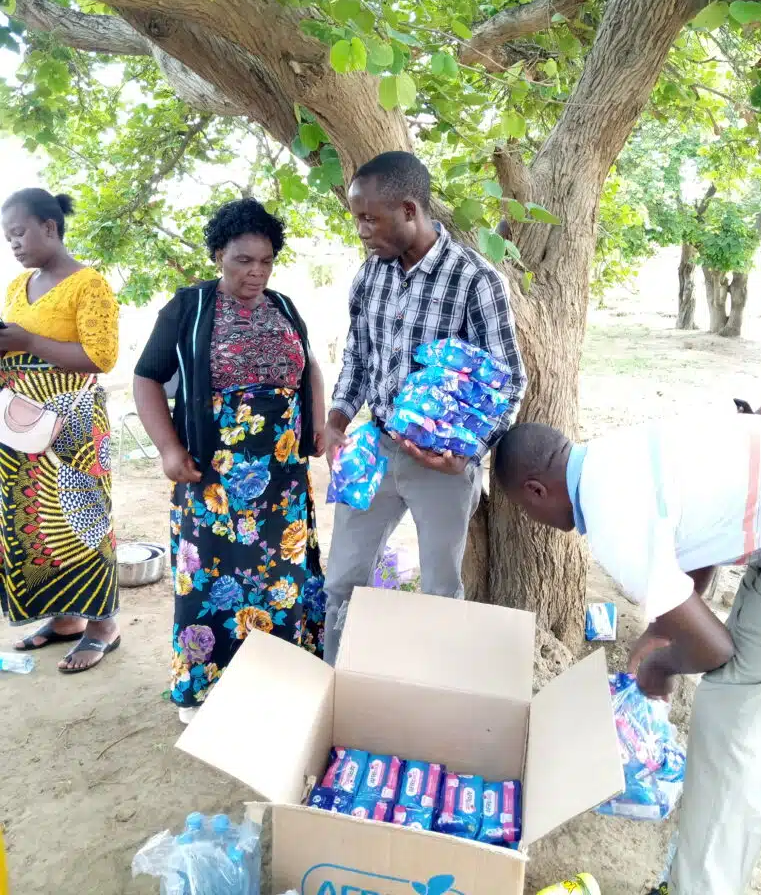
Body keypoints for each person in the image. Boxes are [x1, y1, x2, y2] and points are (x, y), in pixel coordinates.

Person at [495, 416, 761, 895]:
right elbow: (691, 546)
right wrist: (663, 629)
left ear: (537, 491)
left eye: (522, 508)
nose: (530, 520)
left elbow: (714, 650)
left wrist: (660, 668)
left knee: (729, 711)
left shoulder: (612, 524)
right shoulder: (615, 454)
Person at [323, 151, 527, 664]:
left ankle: (433, 698)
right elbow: (359, 354)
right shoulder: (370, 275)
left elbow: (510, 381)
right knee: (343, 580)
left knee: (440, 590)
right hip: (374, 445)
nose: (362, 231)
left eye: (369, 218)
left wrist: (470, 452)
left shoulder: (475, 281)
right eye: (357, 219)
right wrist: (338, 417)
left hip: (442, 465)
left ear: (409, 210)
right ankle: (334, 688)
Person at [134, 198, 326, 724]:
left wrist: (319, 420)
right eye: (244, 260)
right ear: (219, 254)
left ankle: (280, 682)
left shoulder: (284, 307)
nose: (256, 272)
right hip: (212, 475)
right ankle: (205, 691)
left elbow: (309, 365)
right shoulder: (189, 308)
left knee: (278, 581)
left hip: (282, 478)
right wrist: (169, 449)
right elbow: (147, 376)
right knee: (210, 581)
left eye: (265, 261)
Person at [0, 188, 120, 672]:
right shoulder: (17, 285)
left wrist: (28, 339)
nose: (13, 243)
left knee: (86, 523)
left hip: (73, 425)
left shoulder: (89, 285)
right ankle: (66, 619)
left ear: (49, 227)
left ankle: (103, 625)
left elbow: (100, 357)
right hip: (19, 425)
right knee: (38, 528)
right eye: (8, 236)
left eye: (19, 232)